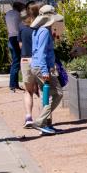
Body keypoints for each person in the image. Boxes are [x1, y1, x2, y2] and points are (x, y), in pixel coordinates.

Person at [23, 7, 63, 135]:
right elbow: (41, 53)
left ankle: (45, 124)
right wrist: (45, 71)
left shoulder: (38, 30)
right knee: (57, 93)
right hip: (42, 67)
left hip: (37, 66)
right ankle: (40, 122)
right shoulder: (45, 32)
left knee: (46, 95)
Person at [4, 0, 27, 89]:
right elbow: (22, 26)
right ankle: (13, 85)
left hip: (10, 37)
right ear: (19, 6)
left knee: (15, 61)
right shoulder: (19, 15)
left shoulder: (8, 13)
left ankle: (14, 84)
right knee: (16, 62)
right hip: (17, 38)